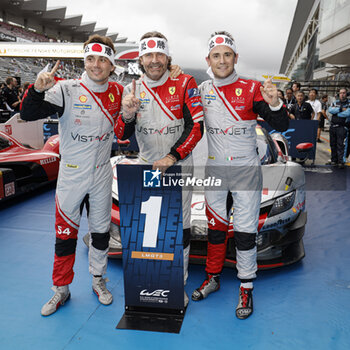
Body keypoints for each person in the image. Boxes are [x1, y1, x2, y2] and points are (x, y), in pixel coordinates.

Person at [21, 34, 124, 316]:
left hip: (103, 174)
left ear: (112, 64)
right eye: (90, 58)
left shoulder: (118, 91)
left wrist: (129, 114)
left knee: (101, 233)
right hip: (71, 176)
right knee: (65, 235)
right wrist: (36, 90)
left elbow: (126, 128)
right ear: (84, 61)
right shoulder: (66, 89)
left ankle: (98, 280)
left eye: (102, 59)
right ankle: (61, 289)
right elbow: (28, 113)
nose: (95, 65)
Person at [190, 31, 289, 319]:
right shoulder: (202, 89)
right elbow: (189, 125)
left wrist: (274, 104)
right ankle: (213, 277)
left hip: (246, 169)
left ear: (236, 58)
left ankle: (246, 286)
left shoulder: (251, 87)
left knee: (245, 233)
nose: (222, 60)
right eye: (216, 55)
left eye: (227, 54)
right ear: (208, 59)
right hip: (215, 169)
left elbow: (278, 122)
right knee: (216, 228)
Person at [114, 31, 204, 304]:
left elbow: (196, 127)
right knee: (149, 229)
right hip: (147, 167)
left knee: (180, 227)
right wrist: (127, 114)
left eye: (160, 54)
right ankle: (151, 281)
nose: (154, 60)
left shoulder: (185, 82)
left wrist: (173, 156)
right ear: (140, 59)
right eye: (149, 55)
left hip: (178, 165)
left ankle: (179, 283)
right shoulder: (131, 89)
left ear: (167, 56)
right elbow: (121, 133)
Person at [327, 88, 350, 168]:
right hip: (333, 127)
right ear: (338, 94)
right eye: (341, 93)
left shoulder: (349, 103)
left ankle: (341, 161)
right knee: (333, 144)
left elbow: (347, 113)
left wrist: (337, 113)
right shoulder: (335, 102)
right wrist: (340, 109)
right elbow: (330, 110)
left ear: (346, 94)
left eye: (344, 93)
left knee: (341, 145)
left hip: (343, 127)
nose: (342, 94)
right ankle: (334, 160)